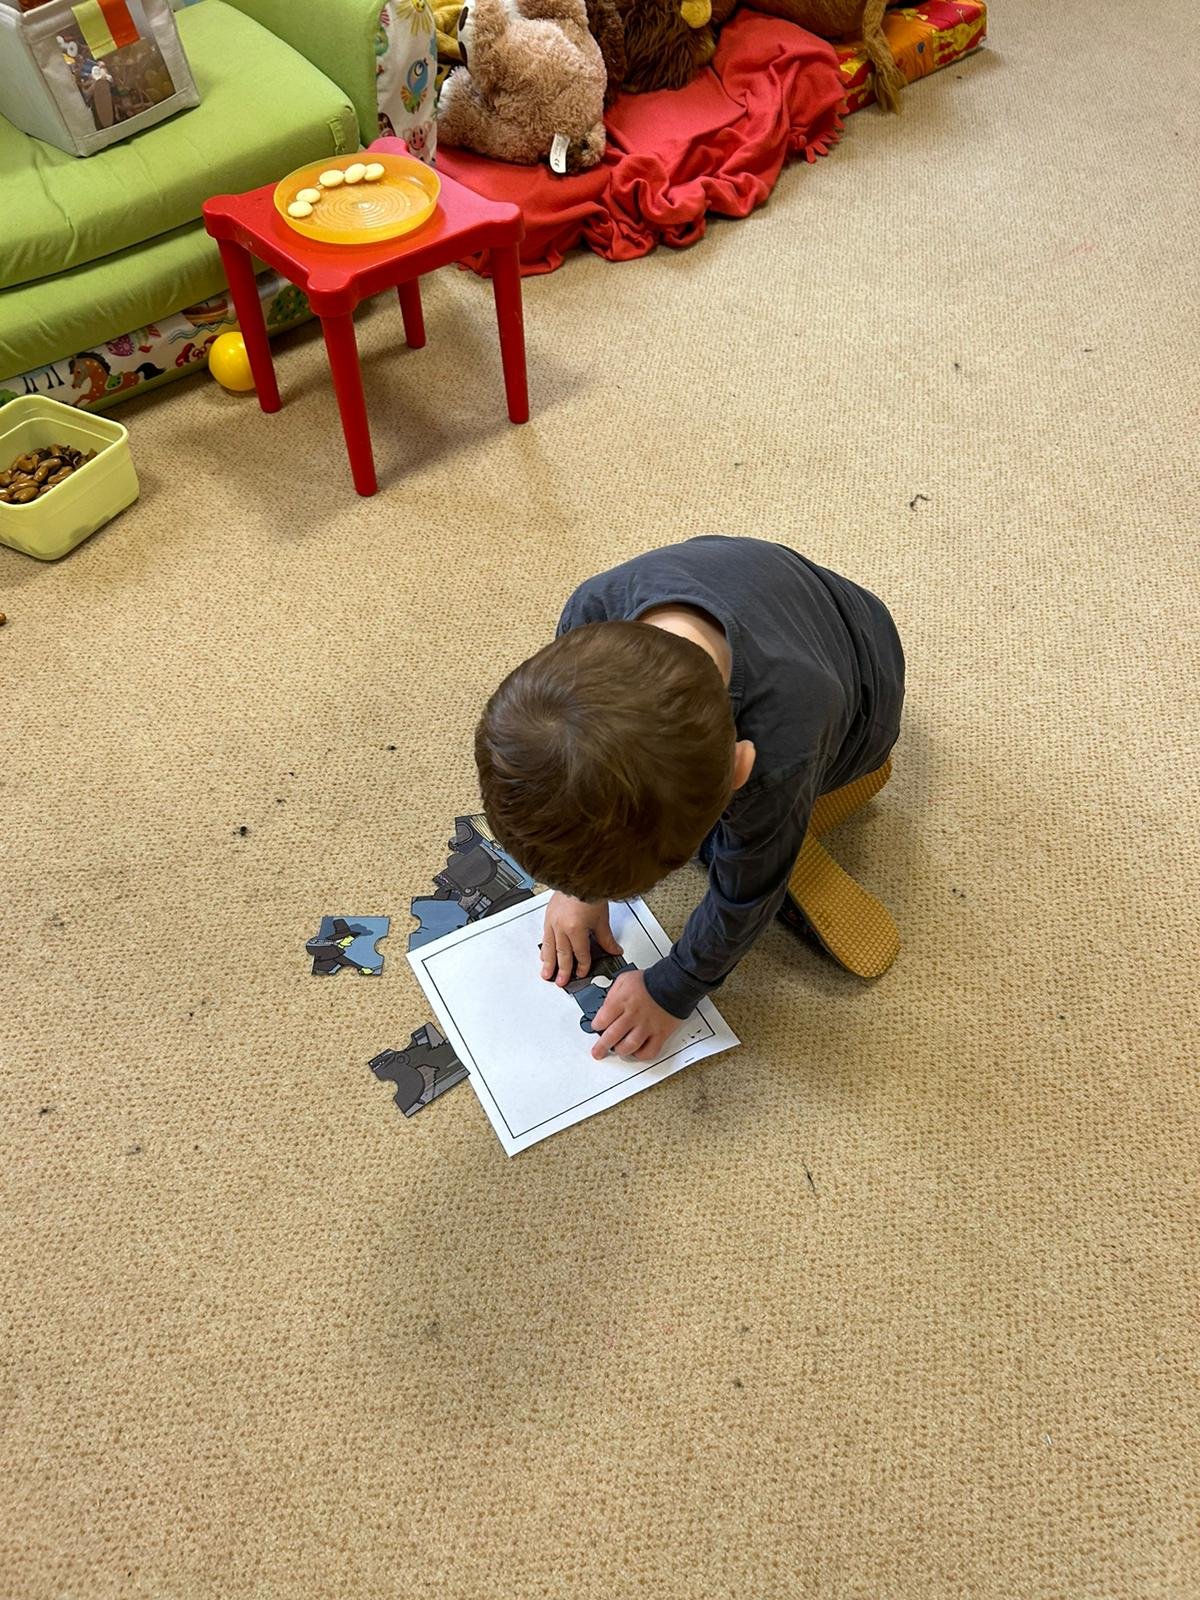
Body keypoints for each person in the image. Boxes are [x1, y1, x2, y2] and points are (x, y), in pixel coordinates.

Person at [475, 536, 905, 1063]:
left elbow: (747, 894)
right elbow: (576, 759)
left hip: (865, 681)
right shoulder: (590, 611)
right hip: (774, 596)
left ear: (740, 768)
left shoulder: (777, 751)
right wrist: (578, 890)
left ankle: (761, 823)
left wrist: (673, 988)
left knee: (741, 851)